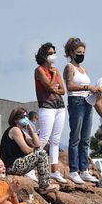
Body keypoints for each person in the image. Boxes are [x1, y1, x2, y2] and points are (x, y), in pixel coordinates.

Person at [62, 37, 99, 184]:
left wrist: (94, 91)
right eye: (79, 52)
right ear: (71, 52)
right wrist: (86, 87)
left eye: (83, 52)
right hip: (76, 101)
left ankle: (84, 169)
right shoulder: (69, 67)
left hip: (87, 101)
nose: (81, 54)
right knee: (75, 136)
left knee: (85, 138)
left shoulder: (83, 69)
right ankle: (73, 170)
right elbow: (69, 87)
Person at [0, 107, 59, 193]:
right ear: (16, 119)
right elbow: (26, 150)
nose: (26, 119)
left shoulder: (21, 131)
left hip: (17, 163)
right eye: (23, 117)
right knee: (41, 154)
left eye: (26, 116)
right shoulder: (15, 130)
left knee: (40, 152)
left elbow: (38, 144)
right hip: (12, 165)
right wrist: (35, 150)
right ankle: (44, 185)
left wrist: (31, 130)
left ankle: (44, 182)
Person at [34, 43, 67, 183]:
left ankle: (54, 170)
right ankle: (31, 168)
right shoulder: (39, 70)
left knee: (56, 140)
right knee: (43, 139)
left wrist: (53, 84)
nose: (53, 55)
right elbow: (48, 87)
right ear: (44, 55)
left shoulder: (56, 70)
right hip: (46, 106)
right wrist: (53, 78)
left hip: (59, 106)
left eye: (54, 52)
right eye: (50, 53)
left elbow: (62, 91)